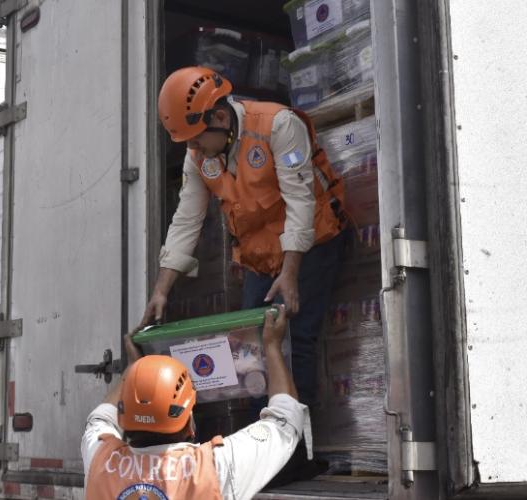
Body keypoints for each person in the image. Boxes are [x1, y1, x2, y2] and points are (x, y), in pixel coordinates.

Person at [141, 66, 347, 409]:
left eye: (195, 137)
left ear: (220, 117)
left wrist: (290, 274)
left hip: (310, 245)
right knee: (251, 350)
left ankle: (295, 450)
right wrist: (161, 291)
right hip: (261, 257)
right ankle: (262, 443)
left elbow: (300, 203)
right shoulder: (199, 156)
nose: (192, 148)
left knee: (294, 343)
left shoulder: (279, 126)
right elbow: (186, 221)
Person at [81, 306, 308, 499]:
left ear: (124, 417)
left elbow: (100, 419)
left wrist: (134, 367)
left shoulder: (100, 459)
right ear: (189, 421)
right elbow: (285, 422)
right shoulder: (214, 467)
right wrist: (272, 347)